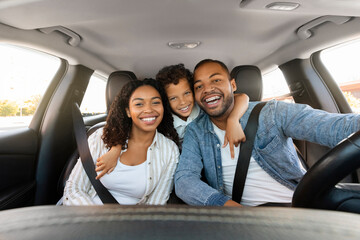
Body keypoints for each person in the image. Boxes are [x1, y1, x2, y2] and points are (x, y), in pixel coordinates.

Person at [174, 59, 360, 207]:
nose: (207, 89)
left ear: (233, 85)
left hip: (297, 206)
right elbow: (184, 180)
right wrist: (228, 208)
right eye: (199, 86)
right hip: (242, 218)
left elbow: (336, 127)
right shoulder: (196, 131)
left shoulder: (272, 113)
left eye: (216, 80)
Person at [95, 64, 250, 179]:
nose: (182, 102)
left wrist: (233, 120)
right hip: (176, 167)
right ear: (165, 101)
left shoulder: (203, 107)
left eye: (187, 93)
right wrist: (115, 150)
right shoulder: (162, 119)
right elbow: (130, 129)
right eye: (173, 98)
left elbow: (242, 97)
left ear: (194, 91)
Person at [63, 79, 179, 205]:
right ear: (128, 111)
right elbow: (74, 189)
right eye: (139, 104)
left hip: (131, 222)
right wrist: (97, 221)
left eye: (155, 102)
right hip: (86, 215)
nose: (149, 110)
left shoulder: (170, 150)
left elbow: (157, 202)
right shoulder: (101, 137)